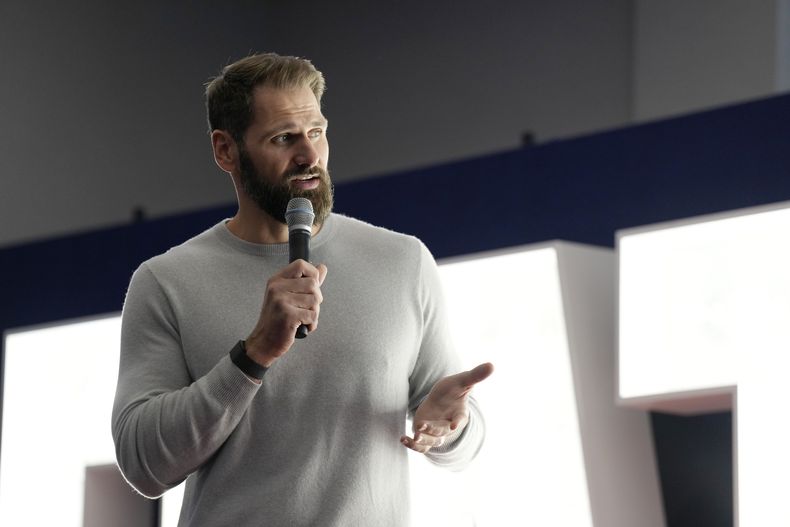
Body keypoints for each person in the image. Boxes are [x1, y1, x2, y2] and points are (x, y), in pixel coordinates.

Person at [112, 52, 493, 526]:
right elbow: (142, 465)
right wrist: (252, 356)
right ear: (226, 150)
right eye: (283, 138)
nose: (309, 155)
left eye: (316, 131)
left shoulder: (402, 261)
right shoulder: (166, 282)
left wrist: (449, 428)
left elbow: (461, 439)